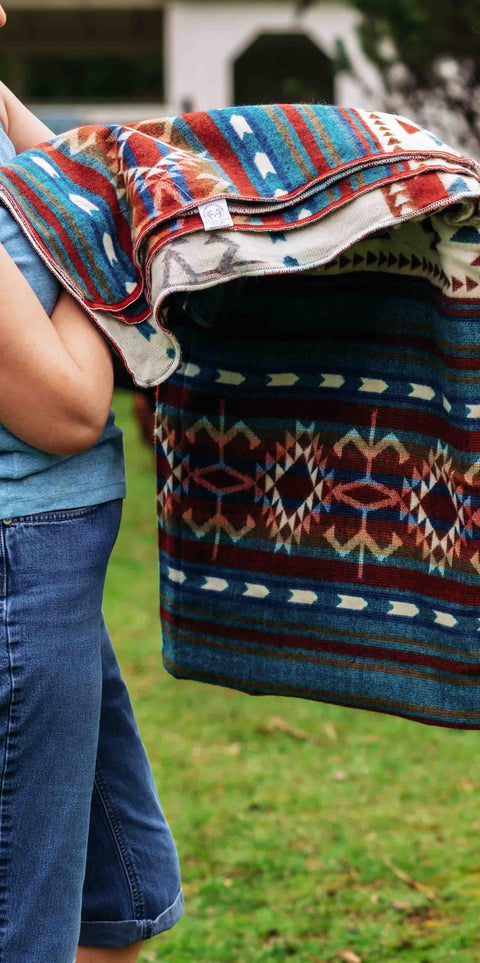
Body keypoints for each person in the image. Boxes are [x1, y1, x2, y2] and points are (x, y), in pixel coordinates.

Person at [0, 5, 183, 960]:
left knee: (121, 899)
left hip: (54, 580)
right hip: (14, 574)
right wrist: (93, 249)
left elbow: (71, 174)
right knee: (24, 931)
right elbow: (69, 410)